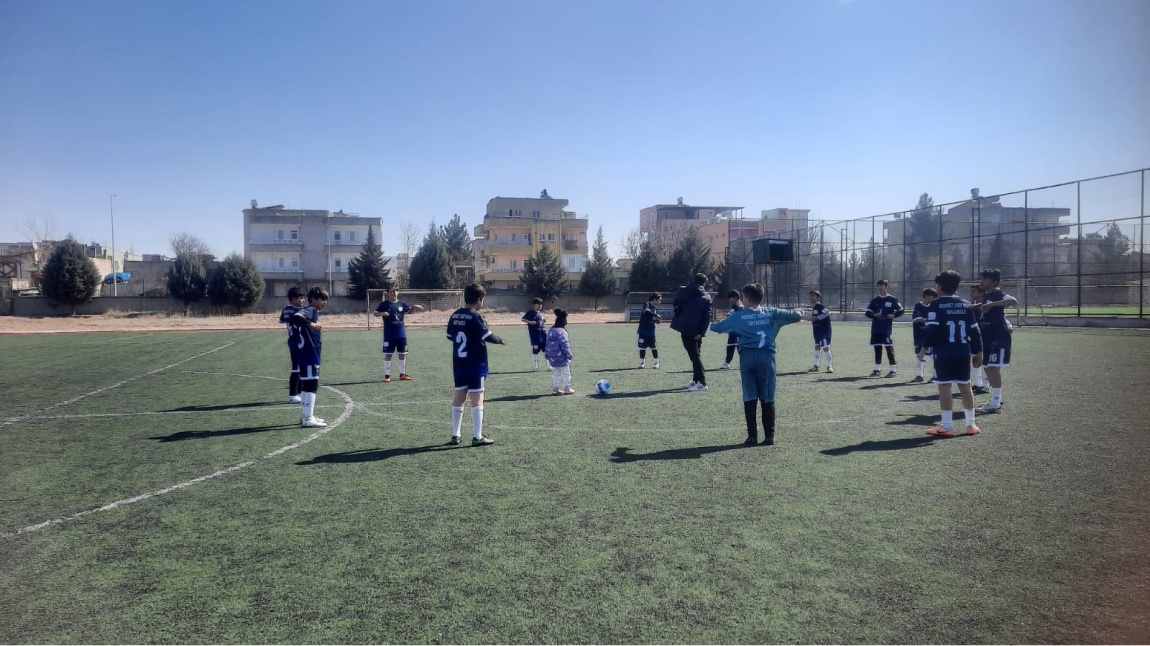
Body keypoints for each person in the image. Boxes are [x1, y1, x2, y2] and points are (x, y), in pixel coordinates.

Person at [709, 283, 804, 446]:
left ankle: (752, 436)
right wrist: (800, 311)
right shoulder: (772, 312)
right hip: (766, 358)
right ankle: (769, 437)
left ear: (747, 299)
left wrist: (710, 323)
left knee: (750, 395)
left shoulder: (739, 316)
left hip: (747, 358)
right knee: (768, 396)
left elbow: (717, 327)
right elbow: (796, 315)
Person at [923, 270, 983, 437]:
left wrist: (923, 349)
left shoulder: (935, 305)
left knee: (944, 386)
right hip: (963, 352)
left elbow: (933, 330)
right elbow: (975, 331)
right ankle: (971, 425)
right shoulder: (966, 305)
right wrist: (979, 351)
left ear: (939, 286)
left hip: (944, 353)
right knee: (965, 386)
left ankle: (947, 426)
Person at [446, 283, 506, 446]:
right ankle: (477, 436)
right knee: (477, 397)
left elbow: (450, 336)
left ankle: (455, 435)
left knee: (459, 396)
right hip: (475, 363)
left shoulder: (455, 314)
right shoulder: (475, 316)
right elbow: (488, 336)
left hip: (459, 363)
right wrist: (500, 340)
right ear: (479, 300)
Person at [976, 268, 1018, 414]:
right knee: (988, 367)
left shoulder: (997, 294)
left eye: (986, 279)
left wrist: (992, 304)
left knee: (992, 368)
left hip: (997, 339)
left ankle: (995, 403)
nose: (982, 281)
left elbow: (1013, 301)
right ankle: (996, 399)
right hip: (987, 339)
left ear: (994, 282)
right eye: (982, 278)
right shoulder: (986, 296)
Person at [289, 286, 329, 427]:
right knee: (312, 384)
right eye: (322, 299)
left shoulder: (311, 311)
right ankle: (308, 418)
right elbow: (296, 317)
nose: (324, 302)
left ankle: (307, 416)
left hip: (306, 354)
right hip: (309, 354)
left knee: (307, 385)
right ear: (313, 299)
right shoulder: (310, 310)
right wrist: (312, 324)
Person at [670, 273, 713, 392]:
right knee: (695, 355)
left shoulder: (683, 290)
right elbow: (707, 317)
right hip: (697, 330)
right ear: (704, 283)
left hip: (684, 326)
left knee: (694, 356)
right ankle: (696, 380)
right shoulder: (707, 297)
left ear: (694, 280)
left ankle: (702, 383)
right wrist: (702, 332)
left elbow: (675, 303)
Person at [373, 285, 425, 382]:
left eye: (394, 291)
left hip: (401, 334)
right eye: (390, 292)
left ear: (398, 292)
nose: (392, 293)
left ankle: (402, 375)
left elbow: (409, 311)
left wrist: (414, 306)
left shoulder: (401, 304)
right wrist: (382, 313)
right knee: (388, 354)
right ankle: (387, 376)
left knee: (402, 354)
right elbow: (375, 313)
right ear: (388, 294)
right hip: (389, 335)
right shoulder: (384, 304)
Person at [865, 279, 904, 377]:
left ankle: (893, 370)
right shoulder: (875, 300)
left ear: (886, 286)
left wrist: (894, 315)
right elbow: (868, 313)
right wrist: (874, 315)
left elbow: (901, 310)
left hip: (886, 329)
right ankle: (877, 370)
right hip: (876, 329)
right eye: (878, 286)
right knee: (877, 348)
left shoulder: (892, 299)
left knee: (889, 348)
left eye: (881, 285)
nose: (879, 288)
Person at [278, 286, 305, 404]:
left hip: (292, 340)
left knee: (300, 367)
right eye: (300, 298)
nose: (303, 301)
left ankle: (299, 393)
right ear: (293, 299)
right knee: (296, 368)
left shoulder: (286, 309)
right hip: (297, 340)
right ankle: (293, 394)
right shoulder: (297, 311)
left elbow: (282, 320)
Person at [544, 308, 575, 395]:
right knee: (566, 373)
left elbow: (547, 343)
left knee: (555, 373)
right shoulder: (562, 332)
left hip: (552, 357)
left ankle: (555, 389)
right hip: (562, 357)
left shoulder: (550, 330)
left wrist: (547, 354)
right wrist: (569, 355)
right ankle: (567, 388)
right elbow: (565, 345)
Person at [910, 288, 937, 383]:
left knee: (933, 356)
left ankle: (935, 375)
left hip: (929, 336)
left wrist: (924, 320)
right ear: (926, 296)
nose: (933, 299)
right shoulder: (918, 306)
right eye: (932, 297)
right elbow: (916, 319)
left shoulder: (933, 307)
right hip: (919, 335)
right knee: (918, 355)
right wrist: (927, 320)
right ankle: (919, 375)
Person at [804, 290, 833, 373]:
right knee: (817, 346)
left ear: (818, 297)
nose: (811, 298)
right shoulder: (815, 307)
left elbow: (828, 313)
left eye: (813, 296)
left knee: (825, 347)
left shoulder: (820, 306)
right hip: (817, 330)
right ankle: (816, 366)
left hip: (824, 331)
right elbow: (813, 318)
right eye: (810, 296)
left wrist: (817, 318)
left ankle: (829, 366)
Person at [968, 283, 989, 393]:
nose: (971, 294)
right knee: (975, 358)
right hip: (975, 336)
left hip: (986, 336)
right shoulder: (972, 305)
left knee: (985, 360)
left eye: (974, 291)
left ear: (981, 293)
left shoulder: (988, 304)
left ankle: (986, 385)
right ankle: (978, 384)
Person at [520, 297, 548, 371]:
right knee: (535, 349)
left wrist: (543, 320)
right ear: (534, 305)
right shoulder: (530, 312)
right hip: (535, 334)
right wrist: (530, 322)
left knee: (545, 349)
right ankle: (535, 366)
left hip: (543, 334)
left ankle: (549, 366)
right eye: (538, 304)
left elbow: (541, 321)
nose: (540, 306)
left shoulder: (540, 314)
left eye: (541, 304)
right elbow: (523, 319)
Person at [719, 290, 744, 370]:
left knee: (733, 347)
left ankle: (727, 363)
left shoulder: (735, 305)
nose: (730, 300)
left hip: (735, 331)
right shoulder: (742, 305)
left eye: (731, 298)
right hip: (739, 330)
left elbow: (729, 317)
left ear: (735, 297)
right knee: (736, 347)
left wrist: (724, 320)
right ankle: (727, 363)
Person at [637, 292, 662, 369]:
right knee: (642, 347)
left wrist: (655, 321)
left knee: (653, 347)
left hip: (651, 331)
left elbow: (650, 318)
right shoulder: (646, 304)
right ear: (655, 299)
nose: (660, 302)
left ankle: (656, 362)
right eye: (659, 300)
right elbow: (646, 312)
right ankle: (642, 363)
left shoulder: (655, 308)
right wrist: (655, 315)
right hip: (643, 330)